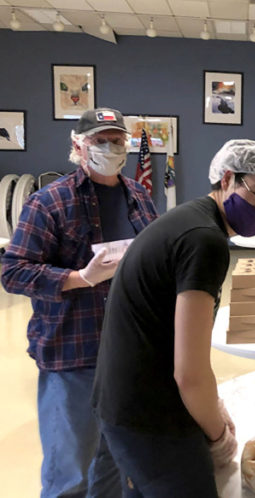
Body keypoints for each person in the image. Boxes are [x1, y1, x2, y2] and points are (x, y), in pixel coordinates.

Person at [91, 139, 255, 496]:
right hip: (150, 415)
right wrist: (218, 434)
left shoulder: (187, 218)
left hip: (120, 398)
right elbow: (189, 372)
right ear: (227, 180)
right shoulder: (205, 241)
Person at [1, 108, 157, 497]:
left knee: (118, 463)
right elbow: (13, 271)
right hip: (74, 354)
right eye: (100, 140)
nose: (110, 146)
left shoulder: (139, 196)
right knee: (71, 470)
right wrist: (79, 278)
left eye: (117, 139)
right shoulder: (48, 202)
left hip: (128, 352)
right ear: (78, 145)